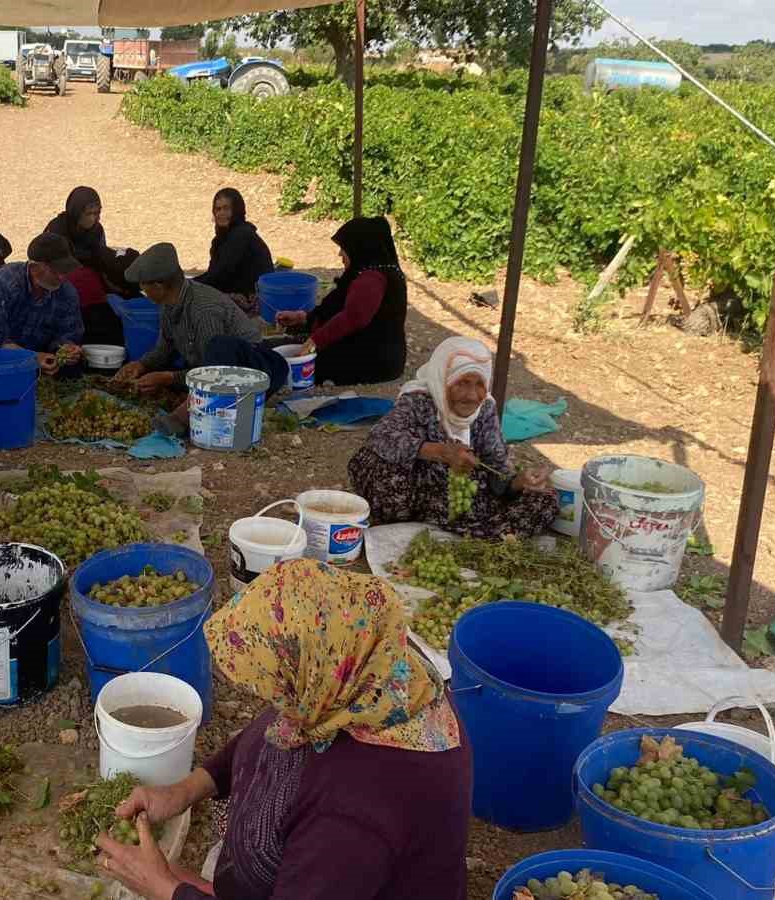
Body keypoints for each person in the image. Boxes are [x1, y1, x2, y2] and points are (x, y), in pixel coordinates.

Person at [94, 560, 471, 900]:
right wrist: (185, 790)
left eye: (273, 690)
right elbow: (270, 733)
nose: (274, 706)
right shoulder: (367, 673)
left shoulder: (355, 818)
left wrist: (164, 888)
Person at [347, 336, 556, 539]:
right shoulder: (419, 401)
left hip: (462, 501)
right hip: (416, 493)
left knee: (545, 500)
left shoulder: (485, 409)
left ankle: (473, 534)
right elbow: (380, 438)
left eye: (479, 384)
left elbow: (498, 473)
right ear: (444, 378)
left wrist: (519, 482)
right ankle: (468, 530)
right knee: (385, 466)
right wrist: (441, 452)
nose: (472, 395)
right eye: (462, 382)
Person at [112, 243, 290, 436]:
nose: (144, 292)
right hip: (213, 371)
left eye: (144, 288)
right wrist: (141, 365)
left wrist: (168, 378)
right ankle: (196, 403)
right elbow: (165, 348)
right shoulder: (169, 303)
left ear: (159, 285)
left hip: (253, 368)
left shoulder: (203, 310)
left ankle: (186, 414)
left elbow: (212, 370)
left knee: (220, 346)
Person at [276, 216, 407, 386]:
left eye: (344, 248)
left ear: (359, 248)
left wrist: (315, 341)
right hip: (381, 356)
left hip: (373, 361)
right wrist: (303, 318)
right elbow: (338, 307)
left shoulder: (371, 279)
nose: (340, 254)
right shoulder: (376, 270)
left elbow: (353, 317)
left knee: (283, 365)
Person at [0, 233, 85, 376]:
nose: (62, 277)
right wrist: (33, 357)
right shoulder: (4, 281)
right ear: (34, 268)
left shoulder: (67, 292)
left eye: (64, 270)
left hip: (41, 354)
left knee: (74, 367)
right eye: (55, 271)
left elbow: (69, 333)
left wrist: (67, 349)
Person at [44, 186, 133, 345]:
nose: (95, 218)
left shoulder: (97, 231)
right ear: (76, 212)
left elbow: (101, 258)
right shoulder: (57, 230)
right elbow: (52, 265)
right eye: (89, 214)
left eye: (98, 213)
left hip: (90, 279)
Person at [193, 188, 273, 315]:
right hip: (232, 291)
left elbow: (219, 276)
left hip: (250, 299)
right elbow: (214, 273)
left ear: (236, 210)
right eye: (218, 209)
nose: (221, 213)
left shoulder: (241, 236)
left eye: (226, 208)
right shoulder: (221, 239)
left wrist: (187, 286)